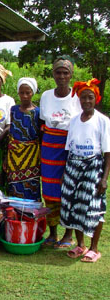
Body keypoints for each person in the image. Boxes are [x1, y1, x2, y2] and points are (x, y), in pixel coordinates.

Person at [60, 79, 109, 262]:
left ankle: (94, 248)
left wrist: (104, 178)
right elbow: (69, 148)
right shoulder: (74, 121)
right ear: (78, 99)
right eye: (83, 98)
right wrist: (66, 171)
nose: (86, 101)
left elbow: (108, 153)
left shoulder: (103, 121)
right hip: (74, 164)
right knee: (75, 204)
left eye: (90, 98)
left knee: (94, 207)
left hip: (93, 165)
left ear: (96, 98)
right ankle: (81, 245)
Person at [40, 57, 81, 248]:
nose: (62, 76)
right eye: (58, 72)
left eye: (66, 72)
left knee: (68, 191)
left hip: (69, 148)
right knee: (49, 193)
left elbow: (82, 123)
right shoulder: (46, 96)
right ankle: (52, 233)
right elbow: (43, 122)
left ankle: (68, 234)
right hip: (49, 148)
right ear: (53, 74)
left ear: (71, 75)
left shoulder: (78, 96)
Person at [4, 78, 41, 200]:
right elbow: (10, 134)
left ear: (33, 93)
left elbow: (40, 136)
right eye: (21, 92)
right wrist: (6, 158)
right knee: (14, 188)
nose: (24, 96)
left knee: (31, 188)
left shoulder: (38, 112)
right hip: (14, 157)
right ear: (18, 93)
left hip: (32, 157)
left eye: (28, 92)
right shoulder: (13, 110)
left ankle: (30, 217)